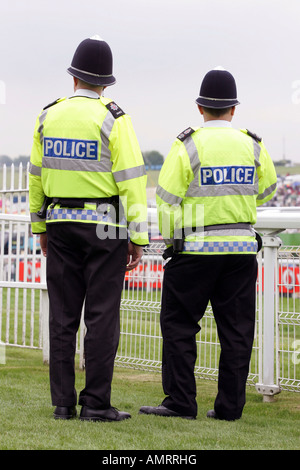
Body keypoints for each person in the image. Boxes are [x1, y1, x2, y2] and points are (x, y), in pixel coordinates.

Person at [139, 67, 277, 421]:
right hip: (242, 251)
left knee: (179, 326)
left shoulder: (187, 144)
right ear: (233, 109)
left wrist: (173, 243)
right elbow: (267, 190)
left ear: (200, 107)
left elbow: (166, 199)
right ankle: (230, 408)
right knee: (237, 331)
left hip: (195, 252)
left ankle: (182, 402)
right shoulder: (252, 143)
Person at [29, 35, 149, 421]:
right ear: (106, 83)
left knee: (62, 318)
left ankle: (62, 403)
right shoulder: (115, 118)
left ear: (74, 77)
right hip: (106, 229)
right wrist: (138, 237)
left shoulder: (48, 115)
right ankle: (96, 404)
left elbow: (36, 177)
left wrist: (39, 226)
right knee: (101, 318)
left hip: (60, 222)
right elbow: (132, 181)